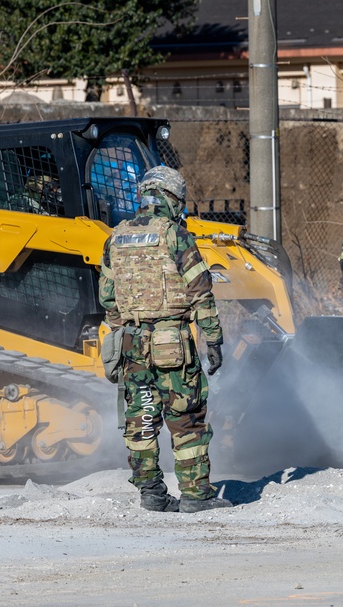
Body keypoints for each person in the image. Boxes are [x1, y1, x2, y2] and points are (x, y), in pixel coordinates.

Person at [98, 166, 231, 514]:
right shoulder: (176, 235)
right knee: (186, 419)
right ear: (172, 198)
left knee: (140, 418)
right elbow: (200, 291)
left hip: (130, 344)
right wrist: (213, 339)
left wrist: (123, 333)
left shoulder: (115, 237)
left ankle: (152, 494)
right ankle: (195, 496)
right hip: (171, 344)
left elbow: (108, 298)